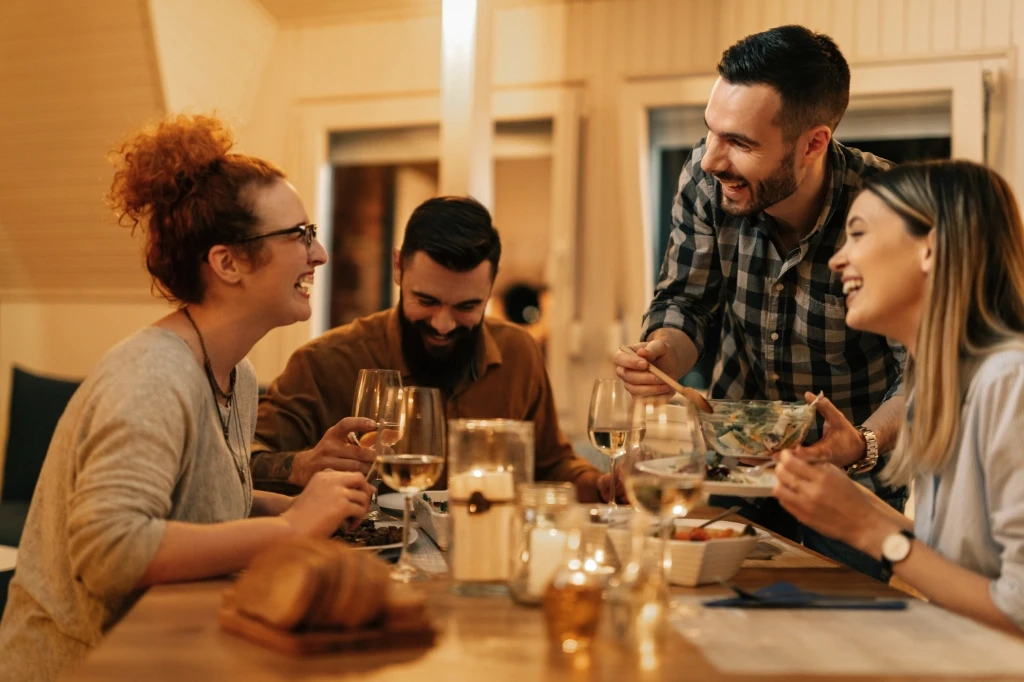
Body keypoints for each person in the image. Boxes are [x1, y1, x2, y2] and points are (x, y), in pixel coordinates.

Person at [0, 115, 375, 681]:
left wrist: (307, 505)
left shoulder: (235, 374)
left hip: (172, 651)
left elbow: (201, 505)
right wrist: (292, 529)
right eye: (299, 236)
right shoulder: (151, 375)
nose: (318, 254)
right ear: (227, 263)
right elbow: (113, 553)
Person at [612, 25, 906, 577]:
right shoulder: (707, 183)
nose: (711, 161)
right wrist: (660, 357)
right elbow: (685, 305)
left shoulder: (889, 209)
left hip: (850, 483)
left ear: (814, 143)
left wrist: (862, 443)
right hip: (731, 473)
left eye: (740, 144)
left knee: (849, 637)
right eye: (712, 132)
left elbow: (924, 375)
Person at [774, 160, 1024, 633]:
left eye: (859, 234)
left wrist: (867, 529)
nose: (837, 259)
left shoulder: (1010, 384)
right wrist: (849, 505)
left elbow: (1018, 609)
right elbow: (956, 562)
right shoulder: (941, 388)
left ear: (930, 248)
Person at [251, 196, 609, 501]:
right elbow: (240, 462)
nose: (442, 324)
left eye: (466, 307)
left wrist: (601, 484)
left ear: (490, 287)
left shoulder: (518, 353)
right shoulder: (325, 362)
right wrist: (302, 465)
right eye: (426, 300)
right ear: (398, 268)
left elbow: (551, 464)